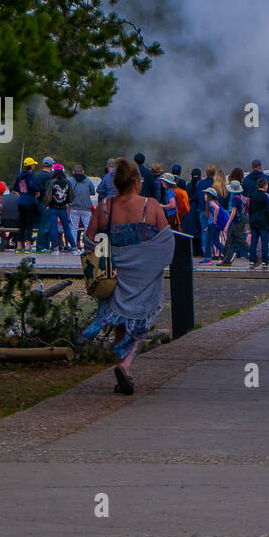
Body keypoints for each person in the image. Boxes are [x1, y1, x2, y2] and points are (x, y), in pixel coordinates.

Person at [79, 157, 173, 395]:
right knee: (139, 321)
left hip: (114, 275)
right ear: (135, 181)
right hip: (143, 277)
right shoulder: (150, 206)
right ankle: (126, 364)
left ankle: (124, 370)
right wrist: (146, 258)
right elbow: (166, 239)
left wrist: (112, 254)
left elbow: (89, 240)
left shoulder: (104, 207)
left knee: (121, 320)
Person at [219, 180, 250, 266]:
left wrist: (227, 224)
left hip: (237, 222)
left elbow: (233, 212)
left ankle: (253, 254)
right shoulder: (240, 197)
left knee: (239, 240)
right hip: (240, 221)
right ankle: (226, 260)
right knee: (230, 240)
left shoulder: (234, 199)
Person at [13, 158, 39, 252]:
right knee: (29, 225)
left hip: (21, 201)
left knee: (22, 225)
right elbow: (32, 185)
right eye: (34, 165)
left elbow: (15, 187)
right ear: (31, 166)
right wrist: (37, 191)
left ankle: (19, 246)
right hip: (29, 201)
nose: (35, 166)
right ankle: (28, 246)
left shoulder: (19, 175)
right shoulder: (31, 175)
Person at [249, 176, 269, 267]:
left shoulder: (252, 196)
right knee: (264, 242)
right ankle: (265, 261)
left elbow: (250, 209)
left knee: (254, 242)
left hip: (254, 222)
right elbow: (268, 211)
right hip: (263, 223)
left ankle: (252, 260)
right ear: (265, 186)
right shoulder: (265, 197)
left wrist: (251, 221)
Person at [71, 165, 96, 241]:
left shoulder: (70, 181)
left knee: (74, 228)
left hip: (74, 207)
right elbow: (93, 192)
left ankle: (74, 246)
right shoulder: (88, 181)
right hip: (86, 207)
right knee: (88, 228)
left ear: (73, 172)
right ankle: (88, 245)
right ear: (83, 172)